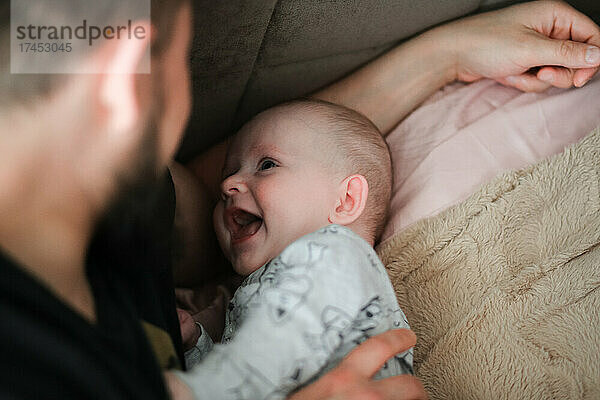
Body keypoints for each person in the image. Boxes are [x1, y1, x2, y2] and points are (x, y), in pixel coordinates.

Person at [0, 0, 598, 398]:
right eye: (177, 55)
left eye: (260, 167)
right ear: (117, 84)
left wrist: (446, 56)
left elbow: (229, 206)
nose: (230, 184)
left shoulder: (329, 254)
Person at [175, 100, 412, 399]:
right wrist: (196, 345)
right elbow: (261, 366)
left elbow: (274, 348)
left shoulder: (338, 254)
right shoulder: (256, 290)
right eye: (229, 171)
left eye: (267, 165)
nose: (227, 184)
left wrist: (197, 389)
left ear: (346, 200)